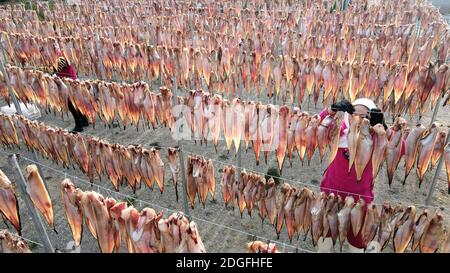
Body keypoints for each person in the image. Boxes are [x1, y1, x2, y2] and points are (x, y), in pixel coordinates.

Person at [316, 98, 401, 253]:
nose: (360, 119)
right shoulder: (340, 131)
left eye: (366, 116)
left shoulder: (375, 137)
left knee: (357, 241)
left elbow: (397, 148)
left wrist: (384, 126)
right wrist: (331, 110)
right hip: (331, 195)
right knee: (325, 237)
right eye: (355, 114)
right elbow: (317, 125)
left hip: (360, 201)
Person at [54, 56, 89, 133]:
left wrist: (55, 73)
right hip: (70, 77)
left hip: (67, 80)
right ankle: (84, 120)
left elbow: (61, 63)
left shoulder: (60, 55)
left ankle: (79, 125)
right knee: (77, 103)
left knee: (71, 105)